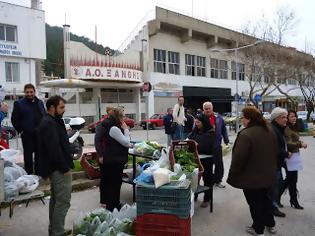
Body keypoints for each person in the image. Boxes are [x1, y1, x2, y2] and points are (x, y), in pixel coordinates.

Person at [227, 107, 277, 236]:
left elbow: (239, 159)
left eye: (243, 117)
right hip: (268, 176)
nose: (241, 120)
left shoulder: (246, 134)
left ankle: (258, 229)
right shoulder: (269, 131)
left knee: (255, 204)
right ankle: (270, 225)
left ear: (248, 119)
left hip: (251, 179)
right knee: (266, 201)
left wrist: (233, 175)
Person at [37, 96, 73, 236]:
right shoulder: (49, 123)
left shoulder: (53, 121)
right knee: (63, 202)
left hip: (56, 167)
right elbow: (53, 149)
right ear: (52, 108)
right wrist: (64, 168)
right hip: (59, 169)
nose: (64, 110)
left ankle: (55, 230)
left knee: (56, 200)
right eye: (61, 107)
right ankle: (58, 232)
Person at [95, 107, 130, 211]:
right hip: (114, 159)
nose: (123, 118)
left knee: (111, 182)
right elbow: (126, 142)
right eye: (122, 116)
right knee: (114, 183)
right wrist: (126, 129)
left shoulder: (107, 124)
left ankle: (112, 204)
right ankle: (113, 206)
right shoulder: (114, 128)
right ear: (118, 117)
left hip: (110, 158)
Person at [11, 84, 46, 174]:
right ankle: (29, 175)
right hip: (27, 135)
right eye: (27, 92)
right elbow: (14, 119)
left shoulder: (40, 103)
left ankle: (39, 173)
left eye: (31, 92)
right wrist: (21, 130)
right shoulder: (19, 104)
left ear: (34, 92)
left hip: (39, 134)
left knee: (39, 155)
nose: (29, 94)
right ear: (24, 93)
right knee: (28, 156)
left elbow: (44, 116)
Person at [280, 110, 307, 209]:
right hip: (289, 157)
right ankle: (280, 198)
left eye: (294, 116)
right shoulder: (287, 129)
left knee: (291, 179)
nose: (294, 118)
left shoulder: (293, 128)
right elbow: (289, 144)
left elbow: (294, 140)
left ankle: (292, 200)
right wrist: (300, 144)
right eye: (291, 116)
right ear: (287, 118)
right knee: (291, 179)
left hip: (294, 156)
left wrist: (299, 141)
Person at [188, 114, 215, 208]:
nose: (196, 124)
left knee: (207, 179)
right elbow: (189, 138)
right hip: (196, 159)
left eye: (198, 122)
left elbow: (203, 145)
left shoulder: (210, 132)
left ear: (204, 122)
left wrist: (195, 144)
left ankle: (207, 198)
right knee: (195, 178)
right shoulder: (195, 130)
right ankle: (194, 196)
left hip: (207, 160)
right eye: (195, 122)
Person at [203, 101, 229, 188]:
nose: (207, 110)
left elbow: (223, 130)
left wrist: (226, 140)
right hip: (205, 147)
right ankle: (209, 181)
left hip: (217, 145)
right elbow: (195, 131)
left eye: (209, 108)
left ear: (212, 108)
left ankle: (218, 181)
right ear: (203, 109)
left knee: (219, 164)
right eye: (206, 109)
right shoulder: (200, 118)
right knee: (207, 165)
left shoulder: (219, 118)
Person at [270, 107, 290, 218]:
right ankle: (273, 207)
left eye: (286, 117)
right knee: (275, 187)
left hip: (277, 163)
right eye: (283, 117)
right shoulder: (273, 129)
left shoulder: (278, 128)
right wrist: (286, 154)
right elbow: (274, 147)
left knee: (277, 185)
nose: (285, 119)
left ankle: (273, 205)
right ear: (276, 118)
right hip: (273, 165)